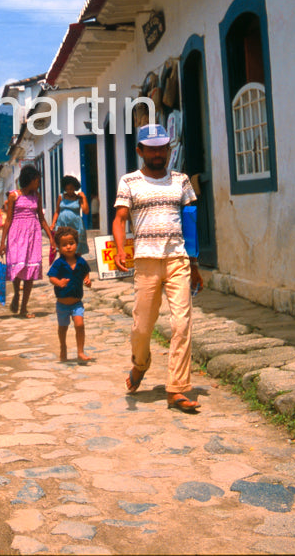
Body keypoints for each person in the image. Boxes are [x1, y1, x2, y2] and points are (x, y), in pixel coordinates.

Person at [113, 122, 203, 413]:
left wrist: (195, 263)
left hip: (178, 260)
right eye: (151, 149)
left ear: (169, 149)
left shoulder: (181, 180)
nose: (157, 153)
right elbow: (120, 218)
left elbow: (189, 225)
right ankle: (140, 364)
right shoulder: (129, 182)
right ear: (140, 151)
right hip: (146, 261)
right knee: (141, 328)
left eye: (162, 148)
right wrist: (118, 248)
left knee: (182, 324)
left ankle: (177, 388)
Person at [0, 164, 55, 318]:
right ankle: (16, 294)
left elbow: (42, 219)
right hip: (16, 235)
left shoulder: (37, 196)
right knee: (17, 267)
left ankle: (24, 308)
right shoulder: (14, 195)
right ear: (30, 180)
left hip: (33, 235)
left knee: (30, 272)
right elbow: (8, 220)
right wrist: (3, 242)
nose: (38, 183)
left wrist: (51, 238)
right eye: (37, 180)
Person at [47, 226, 92, 362]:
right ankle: (63, 347)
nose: (68, 247)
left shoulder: (81, 261)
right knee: (63, 328)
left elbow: (86, 271)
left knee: (79, 325)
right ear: (59, 247)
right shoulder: (59, 263)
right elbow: (51, 277)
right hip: (62, 304)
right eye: (64, 245)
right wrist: (59, 282)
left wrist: (87, 280)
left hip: (77, 303)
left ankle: (80, 351)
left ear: (77, 244)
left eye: (71, 243)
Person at [51, 175, 88, 255]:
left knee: (76, 249)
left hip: (76, 226)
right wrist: (53, 224)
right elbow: (57, 211)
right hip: (62, 225)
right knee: (63, 248)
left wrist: (84, 198)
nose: (69, 191)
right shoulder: (61, 197)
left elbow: (85, 211)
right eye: (67, 189)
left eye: (71, 189)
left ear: (75, 188)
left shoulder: (79, 198)